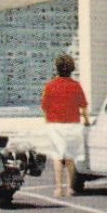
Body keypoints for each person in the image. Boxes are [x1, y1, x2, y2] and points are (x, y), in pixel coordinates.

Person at [40, 53, 89, 197]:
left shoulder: (50, 86)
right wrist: (86, 120)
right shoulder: (76, 86)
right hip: (73, 124)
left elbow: (44, 106)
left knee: (57, 156)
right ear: (71, 69)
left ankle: (58, 188)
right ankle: (70, 188)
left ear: (57, 68)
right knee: (70, 157)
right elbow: (83, 106)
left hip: (55, 125)